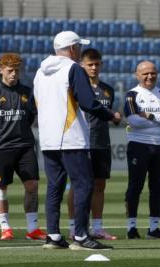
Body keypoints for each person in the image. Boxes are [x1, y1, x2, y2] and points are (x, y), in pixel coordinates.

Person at [33, 31, 120, 250]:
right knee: (84, 184)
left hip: (47, 137)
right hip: (70, 136)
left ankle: (53, 236)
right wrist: (111, 115)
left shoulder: (39, 72)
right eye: (78, 46)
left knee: (54, 187)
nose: (80, 50)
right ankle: (80, 236)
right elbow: (88, 102)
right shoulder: (73, 68)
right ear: (72, 48)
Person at [0, 53, 46, 240]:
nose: (14, 74)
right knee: (1, 186)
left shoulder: (27, 92)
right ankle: (5, 228)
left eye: (17, 70)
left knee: (32, 185)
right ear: (1, 70)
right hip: (1, 146)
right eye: (10, 70)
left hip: (25, 145)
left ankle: (32, 228)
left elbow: (31, 116)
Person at [67, 48, 117, 240]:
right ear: (82, 65)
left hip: (101, 142)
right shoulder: (76, 88)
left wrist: (114, 117)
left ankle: (97, 227)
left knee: (99, 185)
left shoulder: (108, 89)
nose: (94, 68)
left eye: (97, 64)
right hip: (80, 142)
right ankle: (74, 227)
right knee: (77, 185)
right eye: (90, 64)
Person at [123, 61, 160, 239]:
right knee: (135, 185)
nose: (150, 76)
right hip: (139, 144)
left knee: (157, 187)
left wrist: (151, 115)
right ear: (137, 75)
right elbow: (134, 121)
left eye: (153, 73)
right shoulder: (132, 95)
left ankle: (154, 229)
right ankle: (132, 227)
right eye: (145, 73)